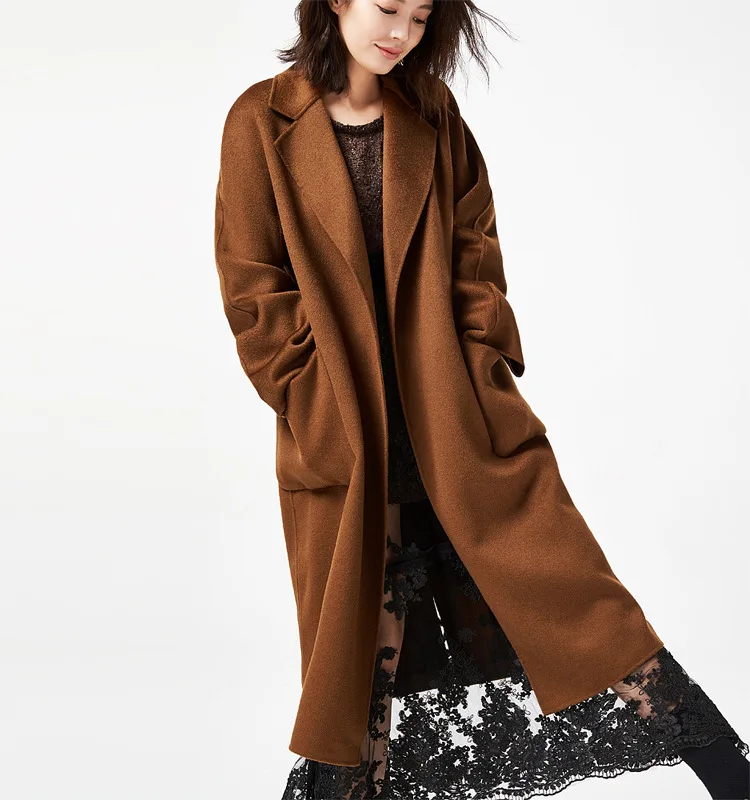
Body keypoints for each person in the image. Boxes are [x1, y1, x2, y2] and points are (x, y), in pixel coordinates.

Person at [213, 1, 750, 797]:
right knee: (359, 664)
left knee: (583, 602)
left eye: (420, 17)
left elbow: (476, 253)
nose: (401, 33)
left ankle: (733, 778)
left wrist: (481, 364)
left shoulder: (432, 113)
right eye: (387, 9)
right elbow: (253, 289)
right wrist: (311, 397)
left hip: (457, 418)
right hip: (347, 434)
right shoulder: (260, 121)